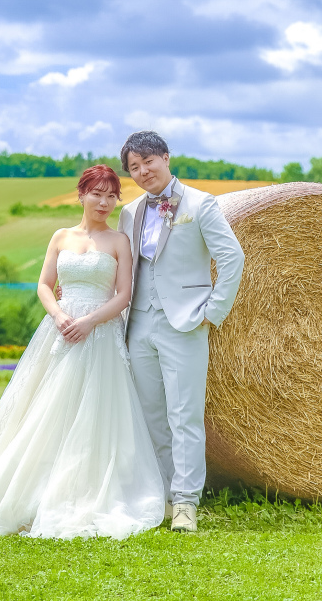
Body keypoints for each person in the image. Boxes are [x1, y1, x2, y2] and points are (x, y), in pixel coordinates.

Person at [0, 164, 165, 540]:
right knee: (45, 410)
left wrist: (89, 321)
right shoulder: (61, 237)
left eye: (111, 195)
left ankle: (84, 491)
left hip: (100, 333)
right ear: (82, 193)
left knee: (94, 414)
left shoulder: (119, 241)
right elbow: (44, 284)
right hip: (60, 331)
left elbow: (124, 295)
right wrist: (59, 316)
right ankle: (33, 491)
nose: (104, 202)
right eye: (97, 193)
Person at [118, 131, 245, 534]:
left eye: (147, 163)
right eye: (134, 168)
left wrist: (214, 310)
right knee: (152, 415)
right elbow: (122, 265)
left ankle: (188, 503)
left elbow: (232, 257)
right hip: (138, 324)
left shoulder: (201, 203)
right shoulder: (130, 211)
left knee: (184, 415)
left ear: (166, 158)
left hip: (186, 323)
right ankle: (165, 497)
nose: (142, 172)